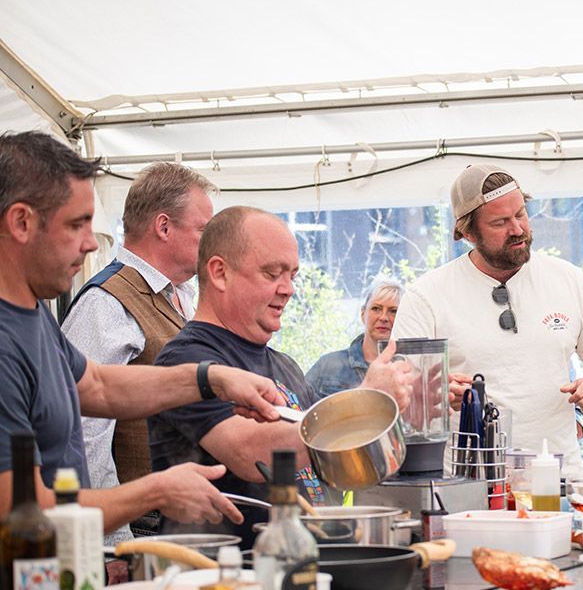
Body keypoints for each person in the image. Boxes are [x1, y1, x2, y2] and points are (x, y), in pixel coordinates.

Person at [0, 130, 284, 531]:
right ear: (21, 222)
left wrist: (210, 378)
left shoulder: (33, 315)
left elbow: (99, 386)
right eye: (77, 226)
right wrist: (152, 494)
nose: (89, 245)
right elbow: (20, 514)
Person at [148, 206, 412, 547]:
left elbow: (332, 462)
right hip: (230, 577)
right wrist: (365, 401)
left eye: (293, 276)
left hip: (302, 563)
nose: (288, 289)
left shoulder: (284, 365)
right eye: (272, 274)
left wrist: (408, 406)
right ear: (219, 273)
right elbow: (248, 453)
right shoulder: (189, 361)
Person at [392, 164, 583, 479]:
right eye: (500, 222)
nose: (517, 229)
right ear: (468, 233)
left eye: (521, 214)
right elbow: (402, 400)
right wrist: (438, 395)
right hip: (470, 487)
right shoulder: (427, 295)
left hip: (558, 483)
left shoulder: (567, 279)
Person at [62, 162, 216, 544]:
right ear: (163, 227)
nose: (211, 243)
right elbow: (84, 433)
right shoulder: (106, 302)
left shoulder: (178, 296)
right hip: (138, 526)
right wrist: (112, 539)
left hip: (172, 521)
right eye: (203, 231)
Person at [306, 276, 404, 397]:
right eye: (376, 308)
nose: (383, 317)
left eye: (393, 311)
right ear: (363, 314)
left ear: (402, 318)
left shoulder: (406, 372)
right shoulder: (327, 366)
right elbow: (298, 411)